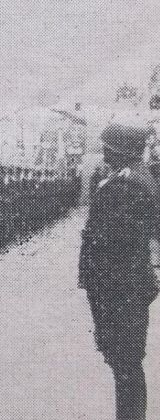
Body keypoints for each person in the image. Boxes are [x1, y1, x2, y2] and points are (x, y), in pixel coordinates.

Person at [79, 121, 159, 420]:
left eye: (108, 148)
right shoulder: (132, 178)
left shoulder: (128, 185)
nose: (104, 153)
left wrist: (100, 290)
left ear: (122, 150)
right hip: (125, 286)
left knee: (126, 364)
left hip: (121, 288)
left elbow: (117, 245)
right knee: (125, 363)